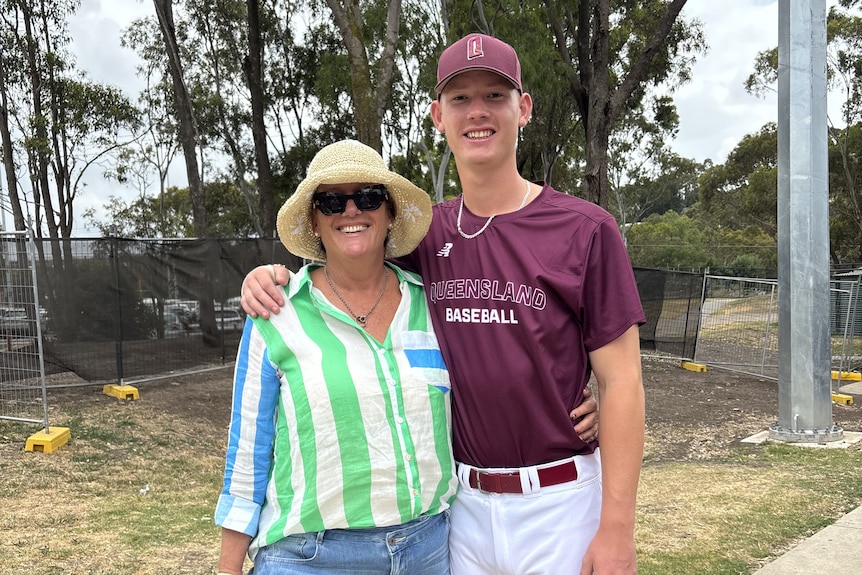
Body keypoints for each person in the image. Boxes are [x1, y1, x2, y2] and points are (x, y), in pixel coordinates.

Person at [241, 33, 644, 575]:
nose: (477, 112)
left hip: (560, 502)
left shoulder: (585, 229)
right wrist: (269, 277)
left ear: (523, 108)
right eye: (460, 98)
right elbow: (349, 266)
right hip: (461, 509)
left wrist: (617, 530)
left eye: (494, 96)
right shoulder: (422, 241)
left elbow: (622, 383)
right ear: (437, 115)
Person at [215, 140, 458, 575]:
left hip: (428, 551)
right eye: (330, 201)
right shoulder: (276, 312)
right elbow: (248, 452)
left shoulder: (433, 305)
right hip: (311, 559)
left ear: (389, 212)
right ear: (313, 218)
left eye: (367, 196)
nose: (350, 211)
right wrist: (228, 567)